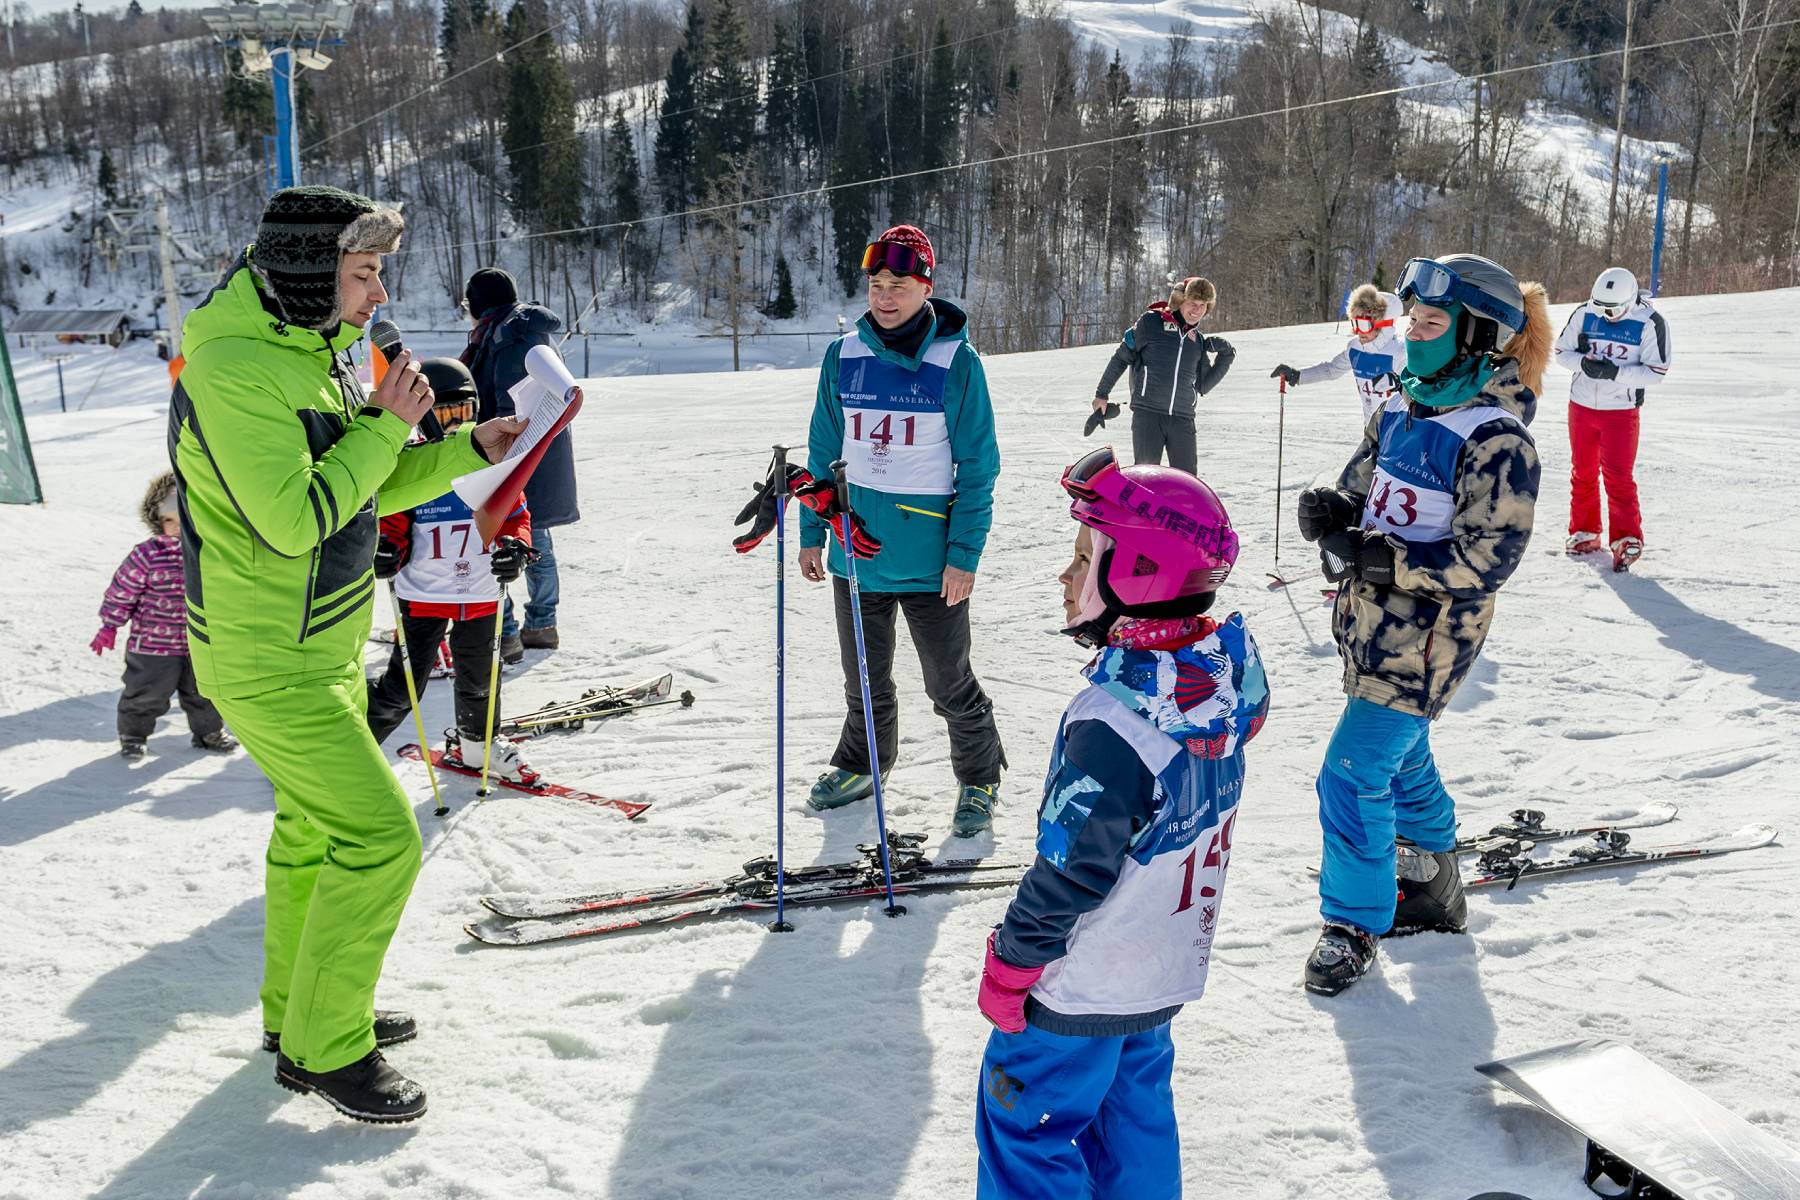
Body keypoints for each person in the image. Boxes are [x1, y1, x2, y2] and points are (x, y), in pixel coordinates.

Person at [168, 185, 526, 1122]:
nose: (376, 295)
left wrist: (462, 450)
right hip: (263, 656)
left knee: (311, 834)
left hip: (317, 638)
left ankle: (298, 1020)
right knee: (376, 834)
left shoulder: (315, 344)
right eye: (362, 274)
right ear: (306, 271)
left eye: (376, 274)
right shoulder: (236, 367)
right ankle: (329, 1049)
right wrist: (383, 422)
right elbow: (293, 520)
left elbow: (358, 484)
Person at [974, 447, 1268, 1199]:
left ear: (1138, 573)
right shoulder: (1207, 691)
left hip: (1080, 986)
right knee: (1132, 1125)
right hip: (1157, 972)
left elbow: (1072, 866)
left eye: (1082, 557)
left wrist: (1013, 961)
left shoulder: (1114, 722)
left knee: (1028, 1134)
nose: (1065, 577)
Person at [1295, 252, 1549, 996]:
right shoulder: (1401, 407)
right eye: (1412, 318)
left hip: (1431, 641)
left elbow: (1487, 559)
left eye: (1431, 321)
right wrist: (1335, 512)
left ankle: (1353, 923)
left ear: (1477, 336)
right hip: (1368, 627)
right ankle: (1435, 878)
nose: (1413, 332)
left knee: (1351, 771)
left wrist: (1385, 562)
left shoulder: (1496, 438)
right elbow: (1362, 489)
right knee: (1399, 756)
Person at [797, 224, 1004, 835]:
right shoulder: (844, 355)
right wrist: (813, 535)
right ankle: (862, 764)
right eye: (877, 284)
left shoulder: (956, 362)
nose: (885, 297)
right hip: (855, 553)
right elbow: (821, 451)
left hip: (930, 555)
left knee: (948, 681)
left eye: (901, 285)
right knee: (863, 674)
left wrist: (964, 554)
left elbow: (979, 466)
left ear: (926, 288)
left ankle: (979, 776)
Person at [365, 358, 538, 785]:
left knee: (481, 679)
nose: (453, 424)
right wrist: (386, 548)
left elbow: (515, 515)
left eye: (462, 412)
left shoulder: (491, 462)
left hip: (479, 595)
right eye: (444, 413)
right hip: (423, 596)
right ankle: (349, 753)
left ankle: (477, 747)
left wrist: (515, 548)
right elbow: (393, 520)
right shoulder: (415, 465)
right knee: (402, 689)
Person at [461, 267, 579, 661]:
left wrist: (487, 450)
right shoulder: (522, 330)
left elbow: (512, 410)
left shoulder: (507, 336)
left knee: (503, 542)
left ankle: (510, 632)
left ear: (478, 304)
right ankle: (540, 625)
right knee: (534, 540)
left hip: (514, 459)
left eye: (468, 304)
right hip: (536, 458)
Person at [91, 470, 235, 760]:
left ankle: (208, 733)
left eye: (184, 519)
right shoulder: (147, 554)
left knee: (204, 694)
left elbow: (229, 591)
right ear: (157, 521)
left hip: (201, 643)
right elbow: (123, 590)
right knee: (145, 694)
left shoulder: (210, 552)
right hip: (153, 648)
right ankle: (133, 735)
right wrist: (109, 625)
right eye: (169, 520)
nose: (176, 528)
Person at [1552, 266, 1671, 573]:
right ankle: (1585, 532)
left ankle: (1627, 538)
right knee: (1583, 472)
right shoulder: (1585, 313)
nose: (1607, 315)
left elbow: (1656, 372)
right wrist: (1582, 363)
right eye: (1602, 308)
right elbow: (1561, 351)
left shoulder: (1649, 323)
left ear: (1631, 300)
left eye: (1615, 309)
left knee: (1618, 476)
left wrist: (1615, 373)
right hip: (1581, 406)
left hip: (1620, 411)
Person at [1090, 275, 1235, 472]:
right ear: (1180, 301)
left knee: (1187, 483)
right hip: (1148, 416)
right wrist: (1102, 393)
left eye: (1203, 305)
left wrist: (1226, 354)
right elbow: (1121, 358)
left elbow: (1203, 385)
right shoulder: (1151, 323)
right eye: (1193, 303)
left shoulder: (1197, 341)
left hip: (1183, 420)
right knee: (1147, 478)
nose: (1197, 310)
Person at [1270, 285, 1406, 426]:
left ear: (1384, 326)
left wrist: (1400, 384)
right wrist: (1298, 375)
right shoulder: (1355, 349)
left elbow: (1421, 388)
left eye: (1364, 325)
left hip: (1398, 430)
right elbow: (1331, 370)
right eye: (1355, 324)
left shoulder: (1400, 351)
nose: (1358, 331)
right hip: (1371, 429)